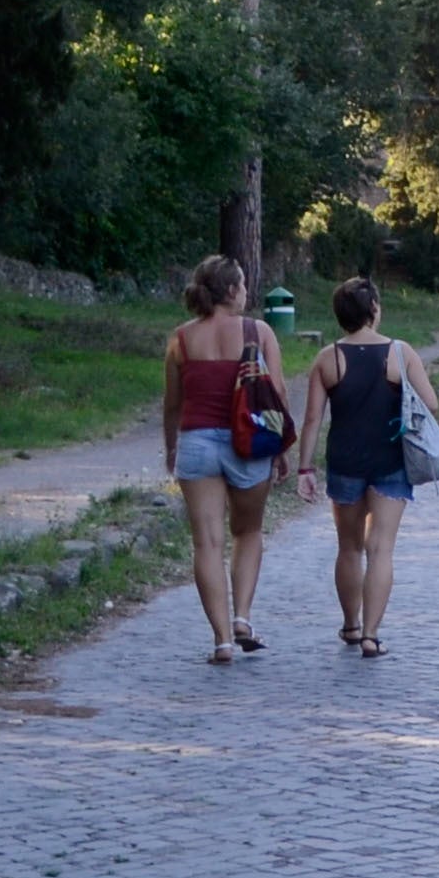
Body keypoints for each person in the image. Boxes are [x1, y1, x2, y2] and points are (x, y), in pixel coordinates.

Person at [293, 278, 439, 659]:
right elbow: (432, 404)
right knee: (381, 549)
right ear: (374, 308)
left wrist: (304, 468)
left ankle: (351, 625)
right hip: (391, 462)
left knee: (348, 548)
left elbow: (312, 419)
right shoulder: (400, 352)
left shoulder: (328, 358)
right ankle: (373, 635)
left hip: (344, 463)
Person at [160, 256, 288, 666]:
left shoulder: (180, 339)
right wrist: (283, 450)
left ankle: (220, 641)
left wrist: (170, 448)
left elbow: (172, 404)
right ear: (232, 291)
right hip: (247, 441)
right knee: (248, 532)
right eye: (244, 285)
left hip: (197, 443)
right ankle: (242, 618)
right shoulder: (258, 331)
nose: (248, 292)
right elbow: (278, 394)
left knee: (207, 544)